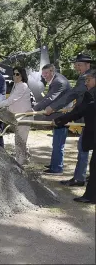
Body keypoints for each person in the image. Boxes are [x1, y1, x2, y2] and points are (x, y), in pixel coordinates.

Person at [45, 54, 93, 186]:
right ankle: (82, 176)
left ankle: (79, 178)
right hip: (86, 116)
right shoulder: (86, 76)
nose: (77, 67)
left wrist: (52, 107)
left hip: (89, 118)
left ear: (88, 65)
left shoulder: (87, 77)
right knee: (84, 146)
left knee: (83, 147)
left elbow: (73, 93)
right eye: (76, 64)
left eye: (80, 65)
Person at [53, 69, 96, 204]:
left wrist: (60, 120)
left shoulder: (92, 97)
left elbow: (79, 111)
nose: (86, 83)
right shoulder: (90, 94)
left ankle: (91, 196)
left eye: (88, 80)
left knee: (94, 165)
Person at [32, 64, 71, 175]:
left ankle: (57, 168)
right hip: (58, 113)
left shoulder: (59, 82)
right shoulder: (56, 79)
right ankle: (55, 164)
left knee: (59, 142)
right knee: (56, 142)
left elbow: (50, 98)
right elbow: (49, 97)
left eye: (47, 73)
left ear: (52, 71)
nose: (44, 76)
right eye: (43, 74)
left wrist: (34, 108)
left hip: (62, 114)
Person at [0, 66, 32, 165]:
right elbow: (11, 102)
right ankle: (23, 157)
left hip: (24, 117)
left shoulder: (22, 86)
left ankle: (20, 165)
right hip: (16, 117)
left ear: (22, 75)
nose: (15, 76)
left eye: (18, 74)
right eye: (14, 74)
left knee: (20, 142)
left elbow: (11, 100)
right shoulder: (16, 85)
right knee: (19, 141)